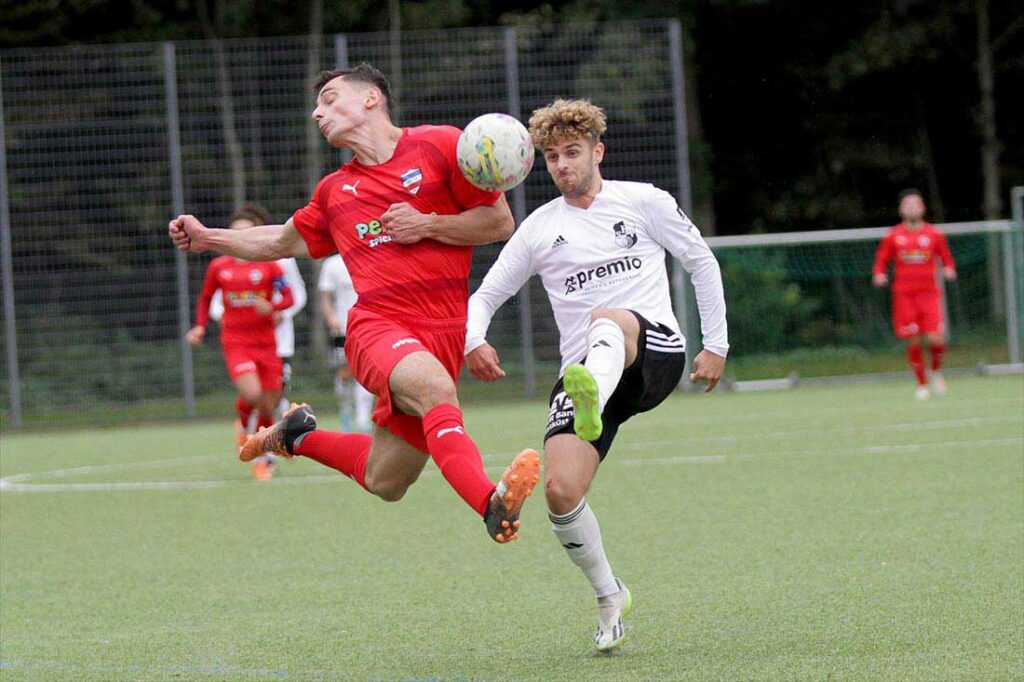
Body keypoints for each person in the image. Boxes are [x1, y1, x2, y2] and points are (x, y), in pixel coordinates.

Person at [169, 63, 539, 543]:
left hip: (443, 332)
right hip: (378, 326)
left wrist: (427, 223)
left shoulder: (442, 145)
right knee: (434, 391)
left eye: (328, 98)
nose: (316, 113)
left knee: (386, 479)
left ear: (370, 99)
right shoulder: (335, 192)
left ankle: (295, 435)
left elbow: (498, 223)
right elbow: (278, 241)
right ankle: (491, 504)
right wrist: (206, 237)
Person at [464, 99, 729, 651]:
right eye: (553, 157)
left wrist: (717, 345)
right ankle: (610, 596)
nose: (562, 164)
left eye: (572, 153)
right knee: (560, 491)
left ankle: (593, 399)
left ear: (597, 152)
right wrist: (473, 339)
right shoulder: (540, 229)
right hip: (584, 370)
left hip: (654, 350)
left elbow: (701, 261)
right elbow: (486, 295)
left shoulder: (643, 202)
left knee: (606, 322)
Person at [186, 203, 295, 480]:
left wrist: (270, 305)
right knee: (253, 394)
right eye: (236, 234)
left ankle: (266, 457)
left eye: (247, 234)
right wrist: (200, 326)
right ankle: (247, 433)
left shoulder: (270, 267)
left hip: (267, 343)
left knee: (269, 404)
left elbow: (288, 297)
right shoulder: (219, 267)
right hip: (236, 341)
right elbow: (206, 298)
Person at [209, 203, 309, 479]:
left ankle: (265, 441)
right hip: (245, 341)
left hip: (278, 343)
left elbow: (296, 297)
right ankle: (263, 454)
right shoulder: (227, 264)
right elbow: (217, 304)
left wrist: (278, 311)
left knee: (273, 400)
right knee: (257, 397)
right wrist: (237, 319)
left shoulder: (283, 259)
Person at [872, 188, 957, 400]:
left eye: (915, 204)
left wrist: (948, 268)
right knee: (913, 339)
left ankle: (935, 370)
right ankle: (922, 384)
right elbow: (882, 260)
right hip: (904, 295)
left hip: (929, 294)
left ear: (922, 208)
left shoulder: (934, 234)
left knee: (935, 338)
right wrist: (879, 273)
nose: (912, 208)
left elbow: (946, 257)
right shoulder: (893, 235)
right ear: (901, 209)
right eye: (907, 204)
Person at [319, 253, 375, 432]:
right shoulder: (332, 264)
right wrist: (331, 319)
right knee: (344, 374)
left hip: (368, 328)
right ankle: (345, 413)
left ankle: (363, 418)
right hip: (341, 329)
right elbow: (325, 297)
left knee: (367, 374)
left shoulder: (370, 258)